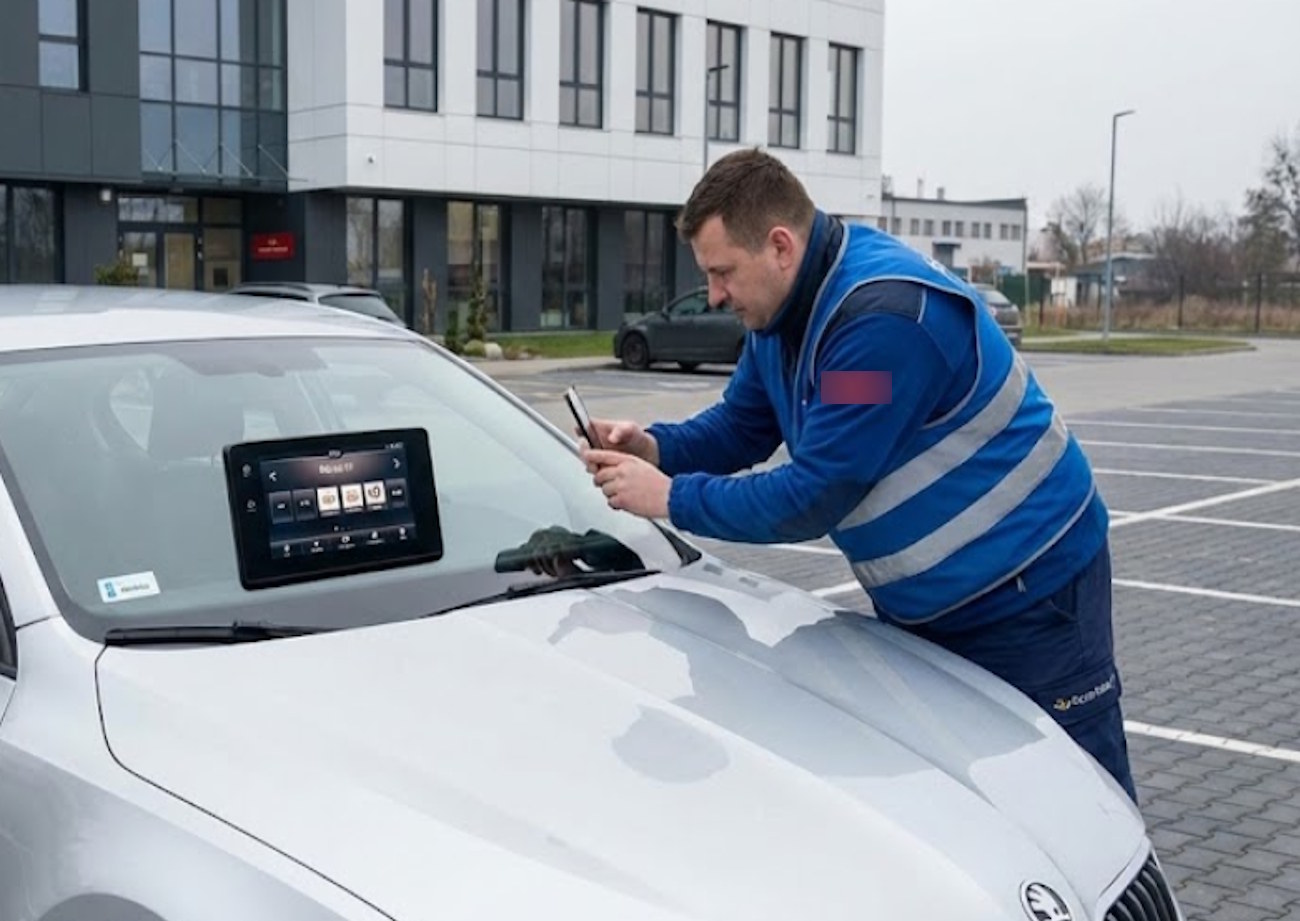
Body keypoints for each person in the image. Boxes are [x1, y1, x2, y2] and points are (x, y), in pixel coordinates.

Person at [579, 147, 1138, 803]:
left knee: (1075, 795)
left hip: (1032, 595)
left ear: (780, 246)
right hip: (933, 607)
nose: (715, 294)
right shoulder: (780, 320)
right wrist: (654, 447)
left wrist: (672, 497)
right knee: (967, 802)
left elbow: (817, 492)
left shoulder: (880, 325)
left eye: (723, 272)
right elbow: (742, 426)